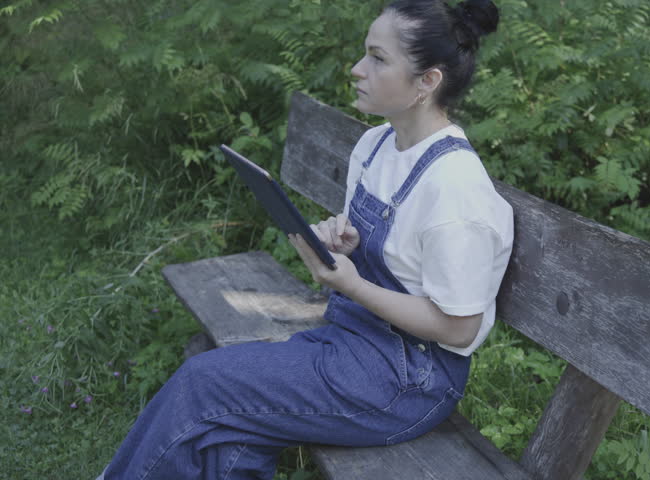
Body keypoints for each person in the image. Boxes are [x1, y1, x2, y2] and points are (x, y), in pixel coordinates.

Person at [97, 0, 512, 478]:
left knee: (203, 384)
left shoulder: (456, 189)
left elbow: (459, 328)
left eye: (378, 59)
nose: (357, 70)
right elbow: (397, 253)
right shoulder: (376, 145)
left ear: (427, 82)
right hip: (352, 341)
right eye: (365, 53)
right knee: (232, 433)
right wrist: (340, 235)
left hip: (407, 380)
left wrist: (354, 286)